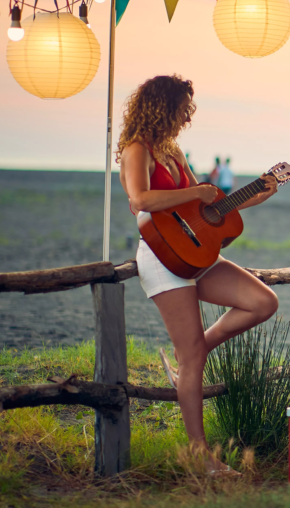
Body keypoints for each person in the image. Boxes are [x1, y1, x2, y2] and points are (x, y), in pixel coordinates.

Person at [117, 75, 279, 475]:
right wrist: (196, 192)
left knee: (263, 302)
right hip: (160, 257)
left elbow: (203, 213)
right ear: (162, 107)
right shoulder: (137, 150)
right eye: (183, 109)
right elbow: (140, 199)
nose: (187, 118)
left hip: (194, 253)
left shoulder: (173, 153)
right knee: (194, 362)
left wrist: (251, 198)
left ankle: (191, 353)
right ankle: (200, 457)